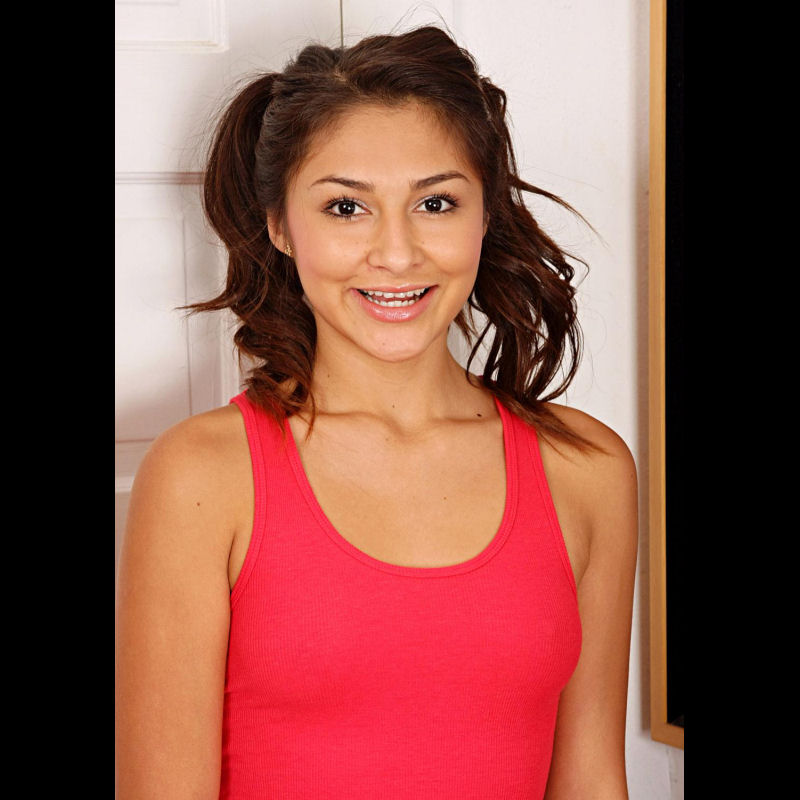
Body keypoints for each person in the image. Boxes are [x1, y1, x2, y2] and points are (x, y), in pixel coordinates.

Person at [115, 25, 638, 800]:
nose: (396, 253)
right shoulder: (203, 476)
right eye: (346, 207)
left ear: (485, 215)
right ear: (280, 225)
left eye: (435, 202)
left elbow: (592, 779)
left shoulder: (587, 470)